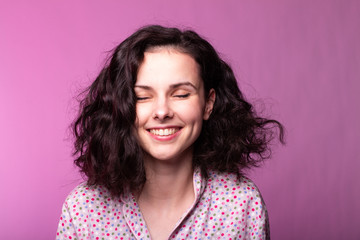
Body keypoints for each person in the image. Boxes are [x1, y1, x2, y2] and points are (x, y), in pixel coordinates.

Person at [56, 25, 284, 240]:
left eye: (181, 94)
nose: (162, 111)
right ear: (121, 106)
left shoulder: (241, 204)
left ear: (208, 104)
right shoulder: (83, 208)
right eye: (142, 97)